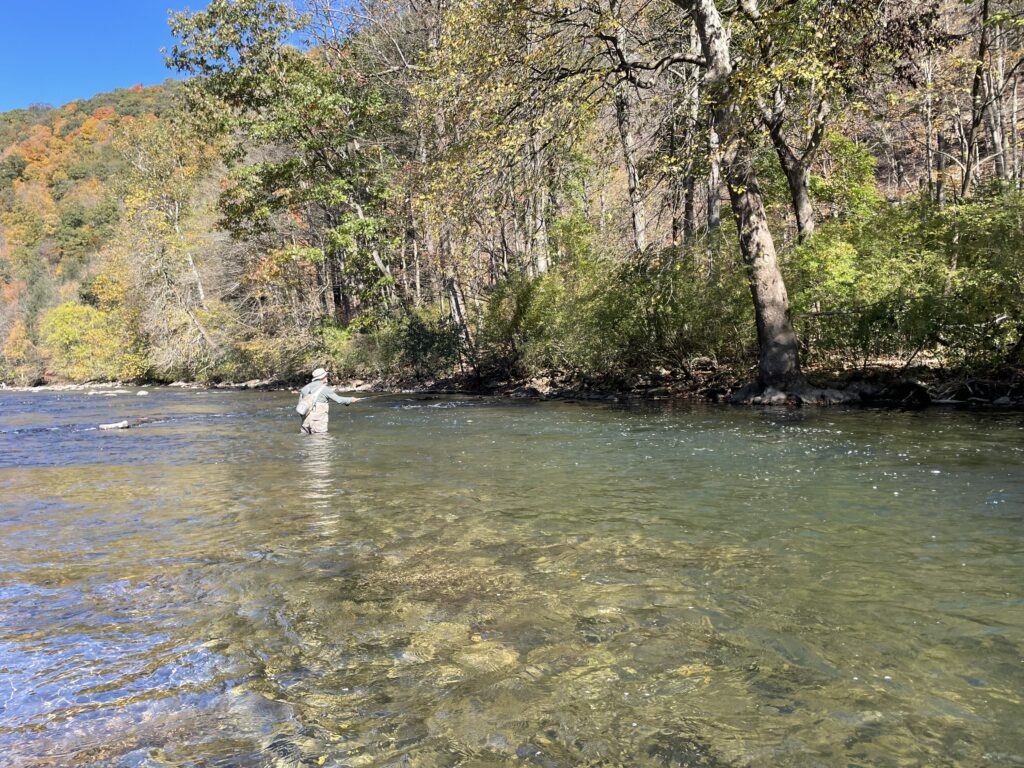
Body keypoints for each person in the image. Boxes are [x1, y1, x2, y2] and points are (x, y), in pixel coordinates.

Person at [298, 368, 358, 434]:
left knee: (306, 441)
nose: (327, 377)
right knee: (321, 442)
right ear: (323, 377)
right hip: (318, 421)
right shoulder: (325, 389)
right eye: (326, 375)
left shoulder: (304, 388)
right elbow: (339, 400)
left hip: (305, 421)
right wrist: (351, 399)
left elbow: (300, 405)